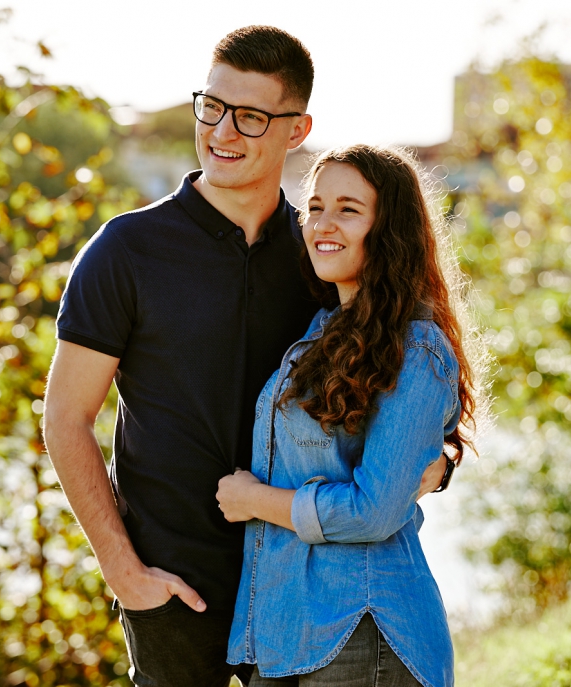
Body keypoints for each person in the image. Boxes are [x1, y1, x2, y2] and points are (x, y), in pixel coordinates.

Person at [44, 26, 444, 686]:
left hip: (302, 584)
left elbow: (409, 373)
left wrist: (440, 462)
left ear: (297, 129)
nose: (222, 131)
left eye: (251, 116)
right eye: (212, 106)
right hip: (173, 587)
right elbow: (65, 418)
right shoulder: (125, 251)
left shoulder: (321, 255)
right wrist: (124, 572)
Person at [217, 145, 478, 687]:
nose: (322, 224)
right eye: (315, 207)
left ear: (390, 229)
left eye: (348, 209)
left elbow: (374, 512)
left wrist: (253, 501)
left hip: (362, 631)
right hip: (283, 632)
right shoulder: (318, 333)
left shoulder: (417, 349)